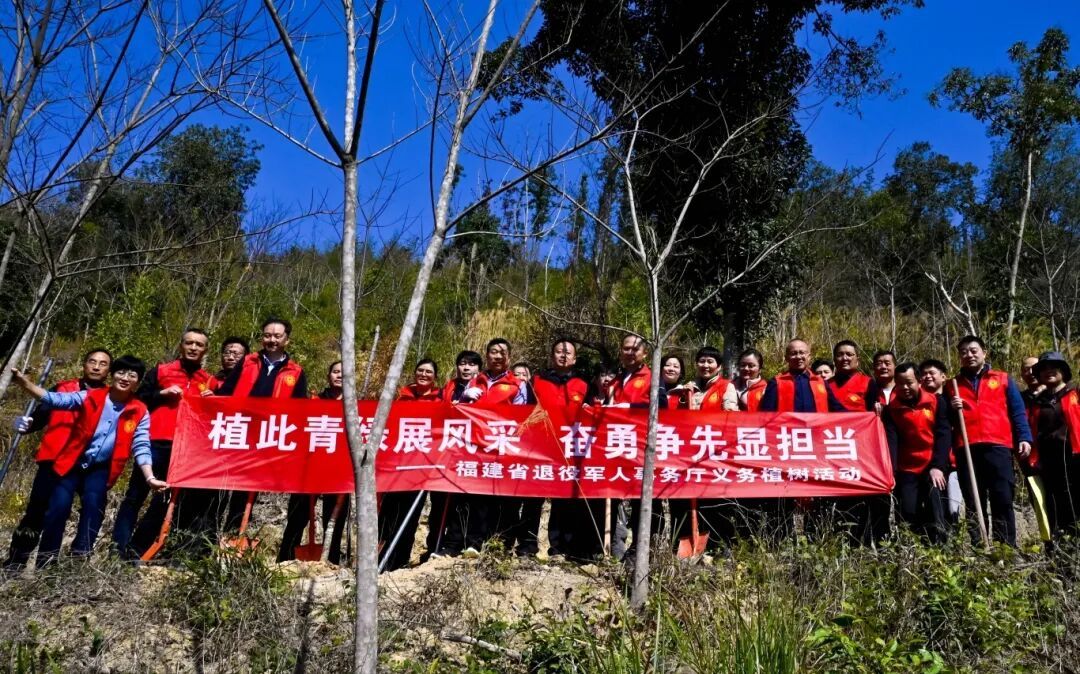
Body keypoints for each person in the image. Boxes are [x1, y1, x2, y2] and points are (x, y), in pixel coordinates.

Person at [11, 356, 163, 567]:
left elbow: (141, 446)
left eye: (132, 375)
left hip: (99, 469)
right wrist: (24, 383)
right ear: (112, 375)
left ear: (138, 382)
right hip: (72, 463)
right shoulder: (91, 396)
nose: (125, 378)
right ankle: (46, 563)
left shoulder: (139, 410)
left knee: (94, 506)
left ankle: (79, 562)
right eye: (121, 372)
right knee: (59, 507)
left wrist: (150, 477)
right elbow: (54, 399)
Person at [4, 349, 111, 570]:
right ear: (84, 364)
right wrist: (26, 424)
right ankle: (15, 561)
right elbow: (39, 416)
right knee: (36, 511)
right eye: (92, 361)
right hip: (52, 459)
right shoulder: (63, 388)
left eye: (103, 364)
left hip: (87, 466)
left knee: (86, 509)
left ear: (109, 370)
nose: (96, 367)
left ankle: (57, 565)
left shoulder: (112, 397)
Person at [113, 329, 214, 560]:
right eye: (189, 343)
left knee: (163, 502)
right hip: (154, 442)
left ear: (205, 350)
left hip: (185, 449)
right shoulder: (161, 370)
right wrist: (162, 392)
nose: (193, 348)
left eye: (199, 344)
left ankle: (135, 552)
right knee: (135, 496)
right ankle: (116, 549)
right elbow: (138, 399)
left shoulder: (209, 380)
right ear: (181, 345)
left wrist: (212, 402)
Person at [216, 318, 309, 550]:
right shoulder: (248, 361)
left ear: (287, 339)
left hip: (266, 438)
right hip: (236, 432)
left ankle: (234, 538)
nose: (272, 340)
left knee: (246, 491)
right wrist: (211, 400)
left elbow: (299, 409)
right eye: (268, 335)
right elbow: (227, 391)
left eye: (277, 336)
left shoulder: (296, 372)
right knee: (219, 486)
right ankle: (209, 539)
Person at [948, 335, 1033, 547]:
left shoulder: (1002, 379)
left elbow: (1017, 411)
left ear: (984, 353)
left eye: (973, 350)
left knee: (1002, 496)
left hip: (998, 445)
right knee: (973, 499)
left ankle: (1005, 547)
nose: (969, 355)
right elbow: (944, 421)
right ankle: (980, 546)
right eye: (964, 352)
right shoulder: (952, 385)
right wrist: (951, 408)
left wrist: (1024, 437)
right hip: (967, 447)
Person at [759, 339, 845, 541]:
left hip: (816, 448)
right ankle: (781, 539)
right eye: (794, 353)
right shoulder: (777, 382)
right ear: (786, 357)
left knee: (817, 491)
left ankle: (816, 537)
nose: (798, 356)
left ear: (809, 356)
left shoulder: (820, 383)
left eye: (802, 353)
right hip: (785, 448)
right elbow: (764, 417)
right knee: (783, 493)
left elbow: (837, 410)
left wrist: (869, 416)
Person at [534, 340, 601, 561]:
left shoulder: (583, 384)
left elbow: (593, 413)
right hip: (541, 446)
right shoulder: (538, 381)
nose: (563, 355)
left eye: (568, 352)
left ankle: (571, 548)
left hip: (573, 449)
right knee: (536, 498)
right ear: (552, 355)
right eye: (559, 351)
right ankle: (545, 547)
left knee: (570, 498)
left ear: (574, 358)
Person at [668, 346, 737, 551]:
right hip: (688, 456)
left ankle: (719, 546)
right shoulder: (686, 389)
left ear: (719, 366)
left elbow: (731, 416)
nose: (705, 365)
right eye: (702, 361)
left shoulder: (726, 387)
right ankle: (682, 545)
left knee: (715, 501)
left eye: (710, 362)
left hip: (716, 454)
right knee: (684, 502)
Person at [606, 335, 666, 560]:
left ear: (645, 353)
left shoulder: (653, 377)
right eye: (626, 348)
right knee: (615, 494)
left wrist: (629, 407)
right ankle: (614, 547)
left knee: (645, 498)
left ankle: (644, 548)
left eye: (635, 349)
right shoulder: (616, 380)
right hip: (617, 446)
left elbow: (661, 405)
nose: (630, 353)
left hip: (643, 446)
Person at [377, 359, 441, 571]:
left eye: (429, 372)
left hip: (421, 469)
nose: (424, 374)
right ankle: (379, 557)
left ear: (435, 377)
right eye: (420, 370)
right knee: (387, 513)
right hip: (395, 465)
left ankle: (399, 561)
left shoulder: (439, 400)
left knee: (410, 516)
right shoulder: (400, 396)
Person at [884, 363, 952, 543]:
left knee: (936, 511)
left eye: (909, 382)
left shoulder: (936, 402)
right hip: (906, 468)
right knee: (907, 511)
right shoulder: (892, 409)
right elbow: (892, 442)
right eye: (900, 384)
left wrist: (938, 466)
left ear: (919, 381)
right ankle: (911, 550)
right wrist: (892, 472)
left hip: (932, 465)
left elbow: (943, 435)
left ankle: (940, 548)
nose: (905, 387)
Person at [429, 351, 483, 558]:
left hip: (477, 451)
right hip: (450, 451)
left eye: (471, 364)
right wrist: (460, 400)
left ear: (478, 368)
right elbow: (438, 411)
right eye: (462, 363)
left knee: (472, 500)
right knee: (446, 501)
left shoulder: (485, 386)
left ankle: (472, 543)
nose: (466, 368)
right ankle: (445, 545)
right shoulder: (448, 388)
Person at [1028, 352, 1080, 539]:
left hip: (1074, 457)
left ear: (1063, 370)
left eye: (1053, 367)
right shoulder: (1036, 402)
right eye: (1043, 369)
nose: (1048, 371)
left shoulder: (1076, 392)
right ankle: (1059, 550)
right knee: (1053, 506)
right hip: (1047, 462)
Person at [921, 358, 963, 524]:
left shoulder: (951, 399)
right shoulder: (918, 402)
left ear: (943, 377)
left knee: (953, 507)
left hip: (952, 462)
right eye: (924, 374)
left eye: (932, 373)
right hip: (925, 461)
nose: (927, 376)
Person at [828, 340, 873, 412]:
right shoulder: (826, 385)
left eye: (849, 354)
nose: (844, 358)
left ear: (857, 360)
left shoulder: (868, 383)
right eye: (840, 355)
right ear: (834, 360)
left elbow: (873, 414)